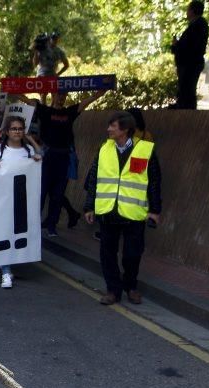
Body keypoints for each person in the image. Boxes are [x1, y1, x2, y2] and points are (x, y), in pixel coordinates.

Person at [83, 111, 162, 305]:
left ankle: (131, 286)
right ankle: (113, 290)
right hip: (108, 210)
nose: (108, 129)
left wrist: (155, 210)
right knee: (107, 253)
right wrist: (89, 206)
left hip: (133, 213)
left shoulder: (145, 149)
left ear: (125, 129)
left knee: (132, 254)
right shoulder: (104, 148)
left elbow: (154, 182)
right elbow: (93, 179)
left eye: (113, 126)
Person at [15, 90, 106, 236]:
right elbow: (27, 99)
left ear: (66, 97)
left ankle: (52, 225)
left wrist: (101, 92)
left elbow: (88, 101)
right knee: (41, 192)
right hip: (47, 157)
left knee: (58, 195)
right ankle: (33, 226)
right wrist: (11, 89)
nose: (61, 98)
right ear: (53, 95)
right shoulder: (45, 110)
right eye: (58, 95)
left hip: (63, 158)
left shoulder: (70, 112)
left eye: (64, 95)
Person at [0, 117, 43, 289]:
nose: (17, 132)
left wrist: (32, 144)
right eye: (14, 129)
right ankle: (5, 271)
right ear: (7, 131)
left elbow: (41, 156)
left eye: (20, 129)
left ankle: (7, 263)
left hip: (21, 198)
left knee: (15, 232)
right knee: (3, 232)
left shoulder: (27, 151)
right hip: (2, 198)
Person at [171, 1, 209, 109]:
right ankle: (184, 107)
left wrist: (177, 45)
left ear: (192, 11)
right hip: (188, 63)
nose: (186, 12)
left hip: (190, 63)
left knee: (188, 90)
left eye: (188, 9)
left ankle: (187, 112)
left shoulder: (198, 25)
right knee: (186, 90)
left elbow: (191, 46)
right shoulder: (197, 25)